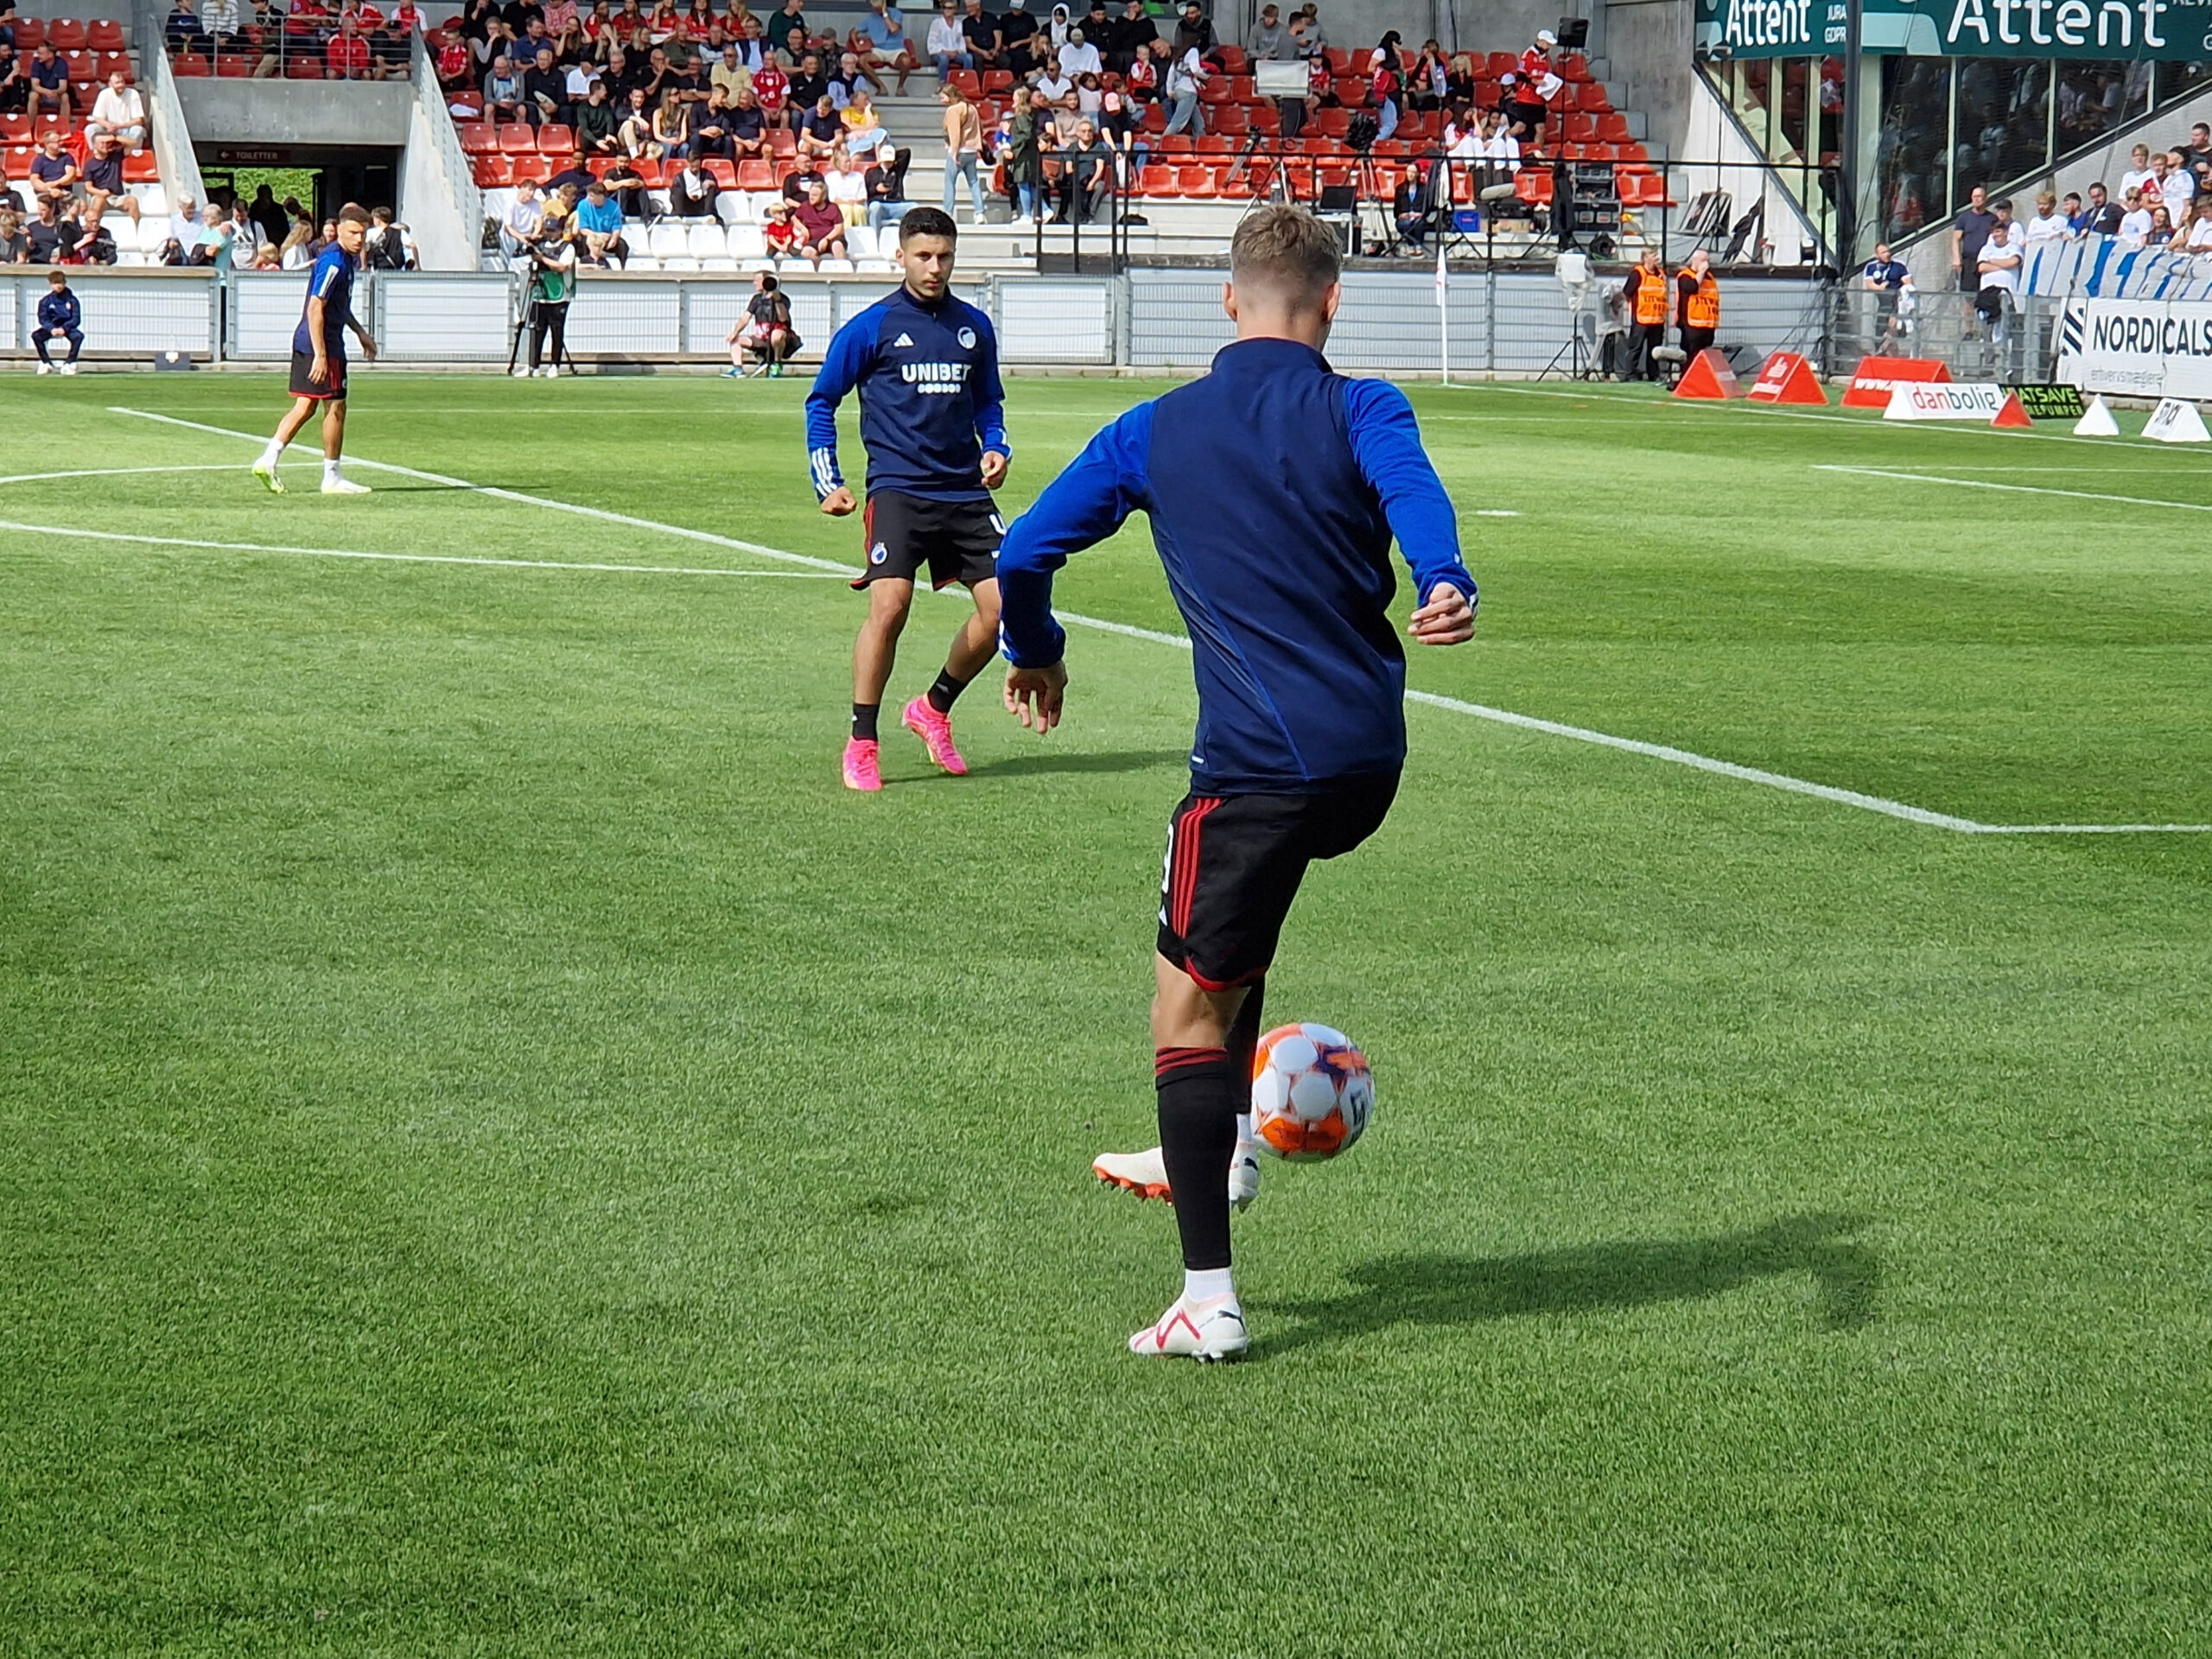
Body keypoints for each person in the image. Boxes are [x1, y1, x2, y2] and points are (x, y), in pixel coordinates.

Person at [996, 205, 1476, 1362]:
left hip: (1257, 773)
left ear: (1227, 300)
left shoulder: (1156, 428)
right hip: (1368, 761)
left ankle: (1207, 1298)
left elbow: (1021, 554)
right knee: (1234, 948)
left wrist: (1037, 649)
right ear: (1333, 301)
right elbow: (1412, 493)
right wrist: (1444, 575)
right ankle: (1219, 1146)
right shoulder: (1367, 404)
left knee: (1185, 1013)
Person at [804, 205, 1009, 793]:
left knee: (1003, 609)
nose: (935, 267)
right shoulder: (872, 327)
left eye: (944, 256)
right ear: (901, 256)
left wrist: (995, 446)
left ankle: (933, 708)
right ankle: (862, 740)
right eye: (923, 255)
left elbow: (989, 402)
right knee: (890, 606)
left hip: (964, 493)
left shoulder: (974, 327)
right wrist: (828, 480)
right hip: (898, 490)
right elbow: (822, 401)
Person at [253, 206, 378, 495]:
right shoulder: (334, 262)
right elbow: (315, 307)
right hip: (322, 344)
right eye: (353, 233)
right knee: (336, 406)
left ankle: (268, 459)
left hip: (313, 342)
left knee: (306, 406)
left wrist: (360, 333)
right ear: (340, 229)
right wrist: (321, 354)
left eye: (363, 234)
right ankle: (331, 476)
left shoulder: (342, 259)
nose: (359, 239)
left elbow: (338, 306)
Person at [519, 216, 574, 375]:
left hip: (559, 294)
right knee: (537, 330)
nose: (550, 234)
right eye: (547, 230)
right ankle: (533, 366)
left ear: (560, 231)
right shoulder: (541, 246)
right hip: (540, 293)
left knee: (557, 330)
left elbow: (562, 266)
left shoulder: (567, 247)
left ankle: (554, 365)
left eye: (553, 230)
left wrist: (542, 258)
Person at [728, 267, 800, 373]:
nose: (754, 283)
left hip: (780, 338)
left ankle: (776, 364)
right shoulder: (756, 299)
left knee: (777, 335)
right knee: (736, 340)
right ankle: (738, 369)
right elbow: (745, 318)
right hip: (761, 338)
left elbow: (783, 318)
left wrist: (777, 299)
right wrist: (735, 333)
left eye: (757, 280)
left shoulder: (783, 299)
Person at [939, 81, 984, 223]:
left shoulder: (953, 110)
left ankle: (948, 212)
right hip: (972, 149)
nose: (941, 99)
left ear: (950, 96)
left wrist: (954, 151)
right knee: (974, 182)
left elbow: (955, 133)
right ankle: (980, 212)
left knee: (950, 181)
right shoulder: (971, 108)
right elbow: (979, 128)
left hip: (960, 150)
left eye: (943, 96)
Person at [1621, 245, 1669, 379]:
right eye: (1654, 255)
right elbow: (1627, 292)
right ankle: (1630, 374)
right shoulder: (1638, 273)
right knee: (1635, 348)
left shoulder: (1660, 274)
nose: (1657, 258)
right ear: (1646, 258)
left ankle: (1654, 374)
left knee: (1654, 350)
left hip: (1657, 320)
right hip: (1641, 318)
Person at [32, 269, 82, 375]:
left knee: (78, 336)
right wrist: (51, 328)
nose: (58, 286)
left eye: (60, 283)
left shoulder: (73, 300)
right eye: (55, 283)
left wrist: (65, 328)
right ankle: (46, 362)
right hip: (53, 327)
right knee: (36, 336)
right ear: (50, 284)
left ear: (65, 283)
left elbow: (76, 319)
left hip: (67, 327)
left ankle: (70, 363)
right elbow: (43, 318)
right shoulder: (46, 301)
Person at [1948, 182, 1993, 292]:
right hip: (1969, 261)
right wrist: (1956, 259)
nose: (1977, 199)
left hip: (1987, 261)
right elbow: (1956, 238)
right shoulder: (1964, 218)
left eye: (1980, 197)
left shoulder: (1993, 219)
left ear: (1985, 198)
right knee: (1968, 295)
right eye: (1974, 197)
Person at [1675, 247, 1718, 362]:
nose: (1707, 264)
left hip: (1708, 324)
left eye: (1708, 260)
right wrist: (1701, 273)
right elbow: (1692, 287)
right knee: (1690, 355)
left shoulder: (1710, 277)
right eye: (1704, 260)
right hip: (1692, 324)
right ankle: (1685, 376)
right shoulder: (1685, 275)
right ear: (1695, 260)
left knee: (1704, 356)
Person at [87, 70, 148, 148]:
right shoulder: (104, 94)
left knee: (138, 130)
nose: (121, 85)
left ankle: (131, 155)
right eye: (117, 83)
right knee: (90, 129)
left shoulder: (133, 94)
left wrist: (119, 126)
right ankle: (96, 155)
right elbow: (98, 118)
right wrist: (108, 126)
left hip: (127, 129)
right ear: (110, 84)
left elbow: (139, 120)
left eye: (122, 82)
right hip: (108, 130)